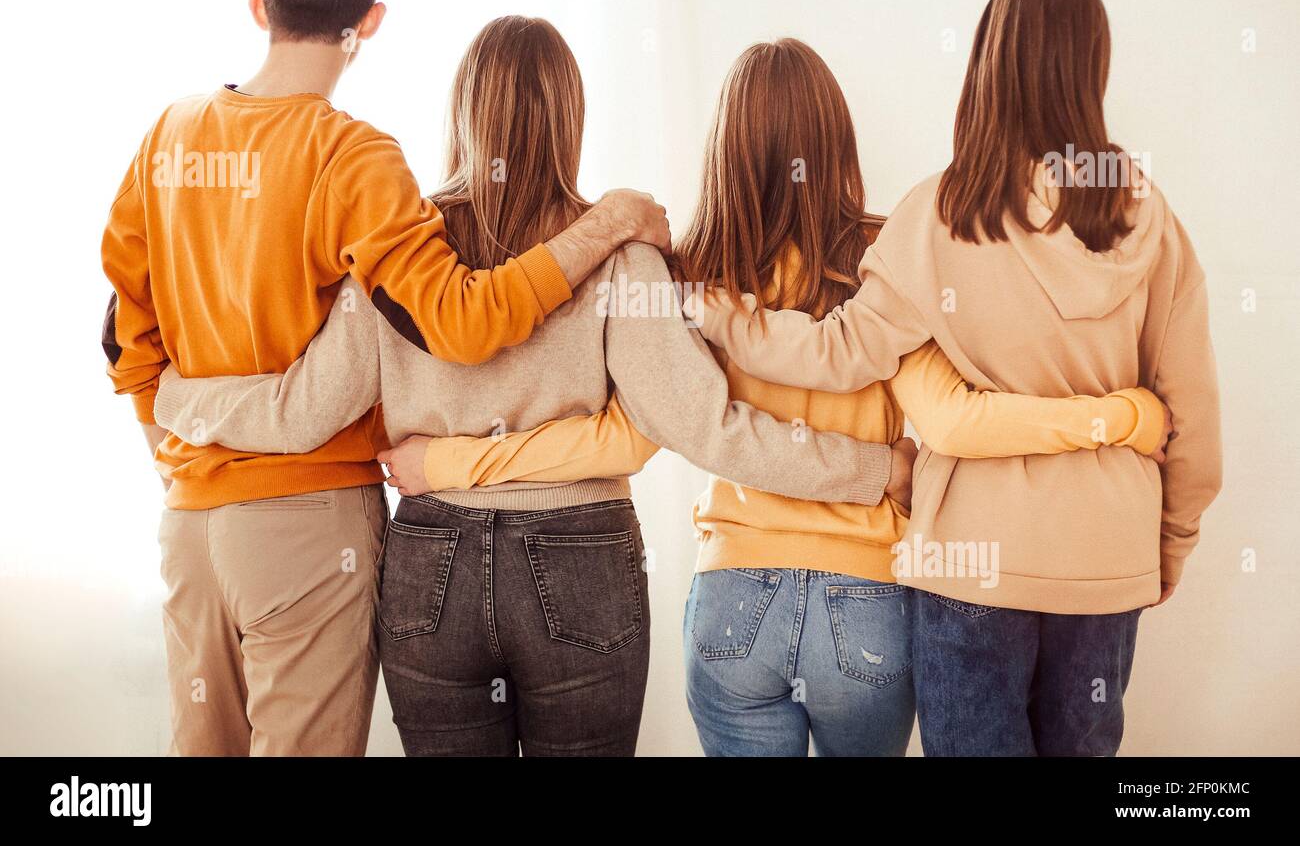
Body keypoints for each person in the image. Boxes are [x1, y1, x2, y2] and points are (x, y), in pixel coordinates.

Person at [378, 37, 1170, 757]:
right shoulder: (888, 257)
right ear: (838, 143)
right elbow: (944, 413)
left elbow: (656, 431)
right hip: (869, 607)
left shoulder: (685, 272)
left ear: (723, 151)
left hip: (734, 601)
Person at [152, 16, 911, 757]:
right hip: (582, 560)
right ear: (570, 119)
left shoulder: (396, 254)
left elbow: (300, 412)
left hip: (431, 566)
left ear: (463, 114)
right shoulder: (619, 256)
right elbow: (707, 429)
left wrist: (176, 397)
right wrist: (877, 471)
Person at [99, 0, 667, 758]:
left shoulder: (168, 138)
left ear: (260, 5)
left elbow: (122, 337)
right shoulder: (353, 159)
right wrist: (601, 226)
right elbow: (464, 322)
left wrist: (179, 449)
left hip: (189, 524)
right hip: (303, 523)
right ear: (370, 21)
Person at [681, 0, 1223, 756]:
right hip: (1107, 558)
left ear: (984, 66)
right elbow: (1194, 415)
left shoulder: (937, 215)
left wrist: (731, 318)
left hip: (968, 572)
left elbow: (839, 351)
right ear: (1092, 70)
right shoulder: (1147, 216)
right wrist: (1170, 543)